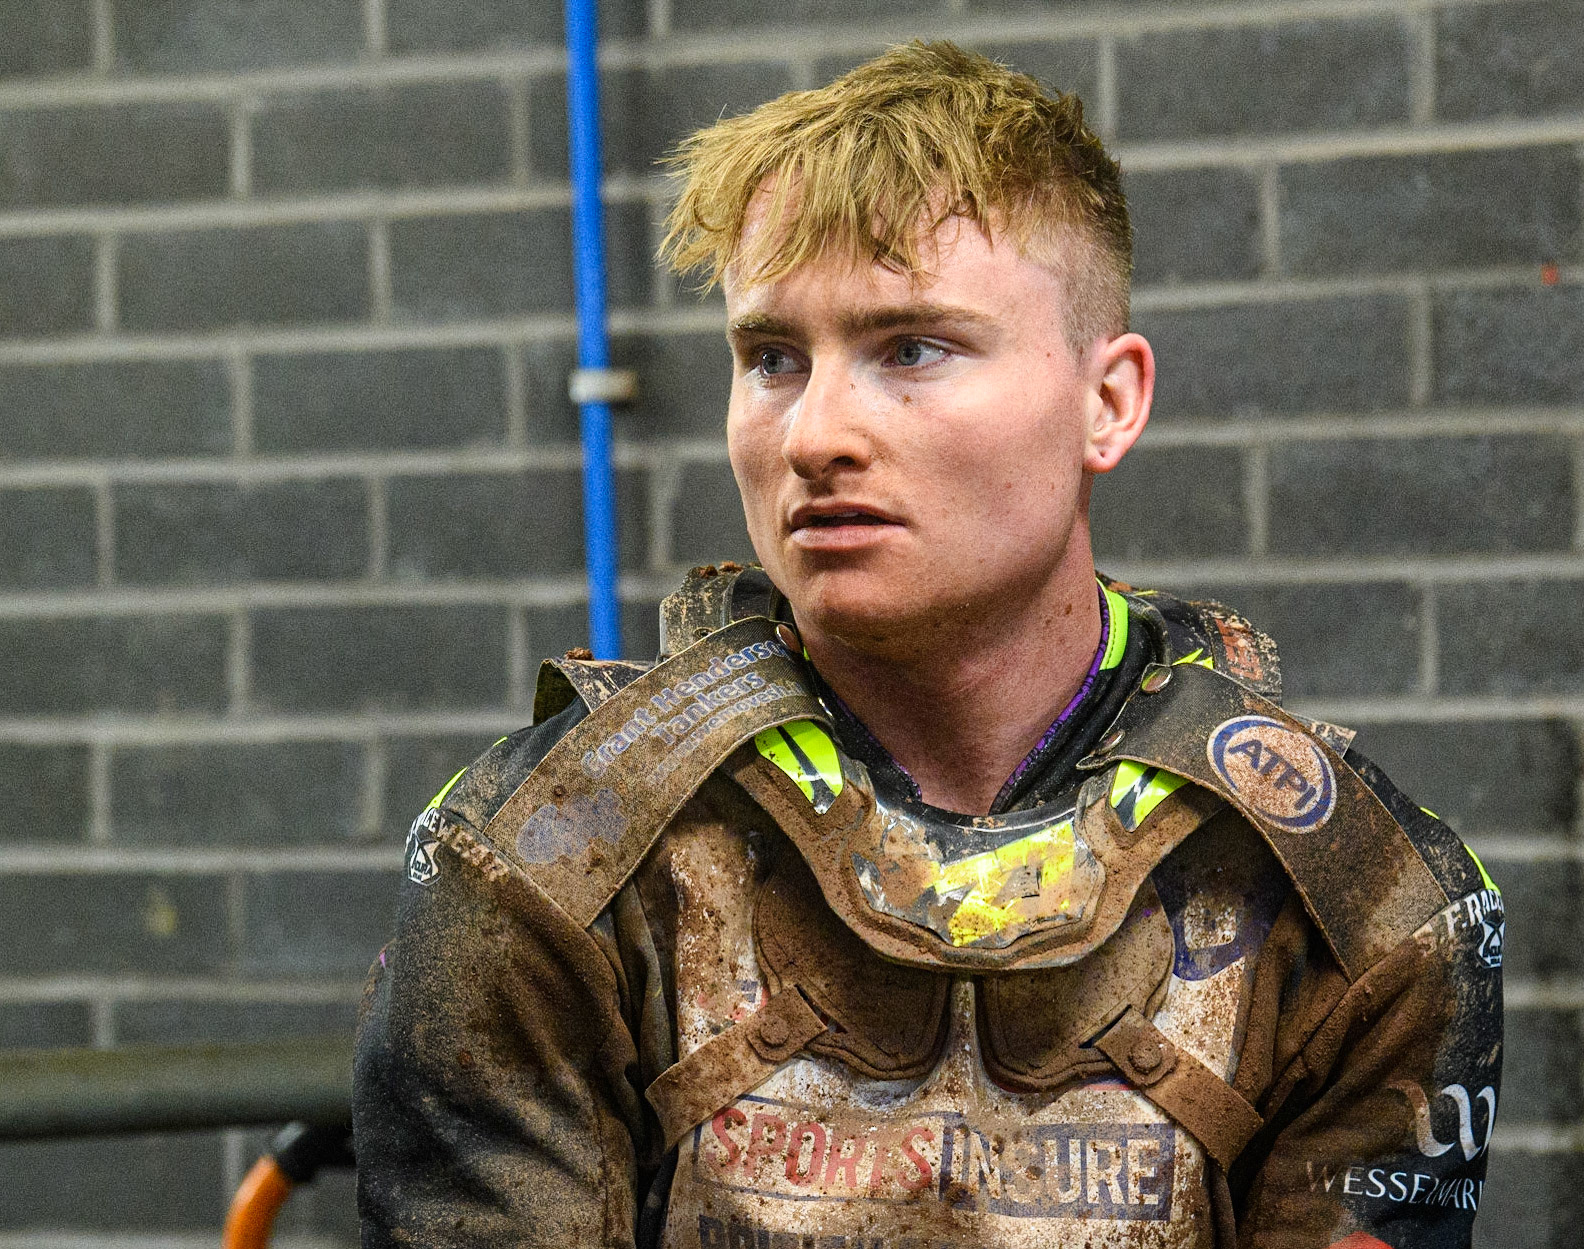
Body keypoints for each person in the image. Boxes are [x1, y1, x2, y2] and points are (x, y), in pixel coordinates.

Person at [354, 41, 1503, 1249]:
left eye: (912, 347)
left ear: (1107, 402)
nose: (816, 435)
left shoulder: (1365, 903)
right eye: (772, 359)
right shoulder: (537, 859)